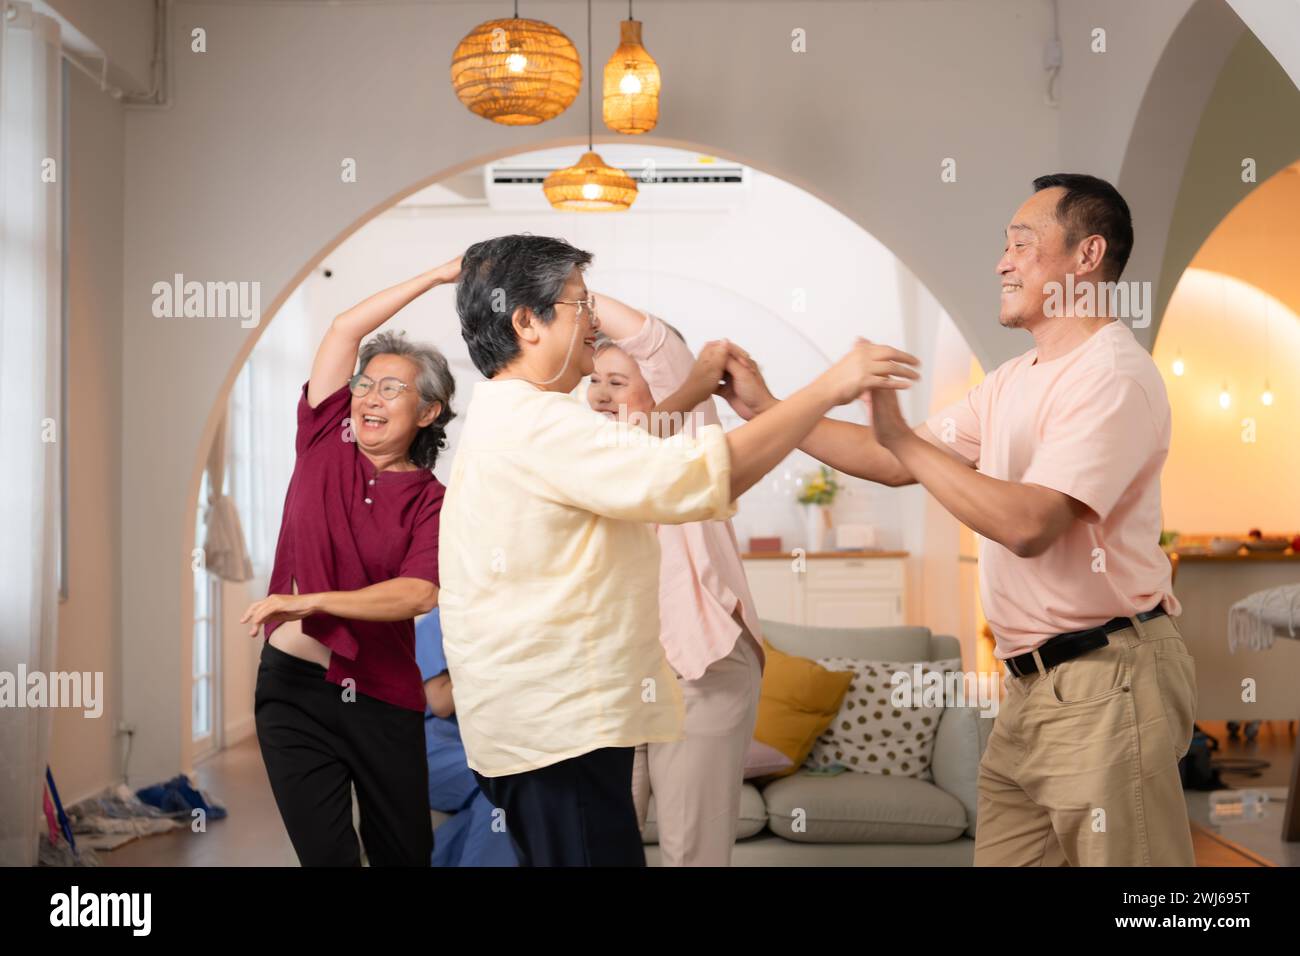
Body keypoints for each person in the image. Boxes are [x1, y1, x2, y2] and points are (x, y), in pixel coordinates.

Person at [722, 174, 1195, 866]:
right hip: (1029, 689)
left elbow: (1030, 524)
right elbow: (890, 461)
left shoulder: (1112, 376)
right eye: (1004, 246)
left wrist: (904, 440)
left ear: (1087, 256)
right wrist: (768, 407)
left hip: (1106, 682)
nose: (1003, 262)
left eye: (1022, 244)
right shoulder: (1010, 381)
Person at [438, 234, 918, 866]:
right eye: (581, 305)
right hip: (559, 734)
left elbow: (676, 444)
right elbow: (694, 477)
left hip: (557, 726)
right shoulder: (539, 424)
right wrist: (827, 388)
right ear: (527, 321)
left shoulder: (520, 420)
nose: (594, 320)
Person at [240, 257, 460, 866]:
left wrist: (312, 600)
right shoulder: (322, 438)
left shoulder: (433, 501)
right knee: (327, 858)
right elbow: (342, 330)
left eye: (393, 388)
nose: (370, 396)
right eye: (366, 383)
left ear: (427, 412)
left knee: (404, 855)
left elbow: (418, 593)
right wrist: (436, 277)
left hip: (383, 698)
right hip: (291, 694)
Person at [586, 294, 765, 866]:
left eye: (618, 380)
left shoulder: (687, 430)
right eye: (595, 382)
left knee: (692, 855)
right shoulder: (588, 460)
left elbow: (659, 348)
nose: (602, 396)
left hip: (700, 665)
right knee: (602, 849)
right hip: (618, 677)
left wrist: (569, 294)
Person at [415, 608, 518, 866]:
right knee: (504, 786)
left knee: (493, 810)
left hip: (481, 749)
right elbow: (440, 702)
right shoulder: (439, 620)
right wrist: (491, 656)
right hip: (434, 750)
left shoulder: (508, 620)